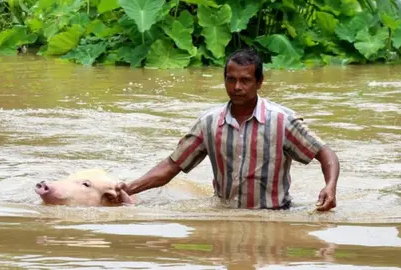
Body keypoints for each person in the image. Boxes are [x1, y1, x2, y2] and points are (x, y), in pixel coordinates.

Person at [116, 47, 340, 211]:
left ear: (259, 82)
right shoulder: (209, 123)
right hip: (225, 214)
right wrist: (129, 188)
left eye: (245, 80)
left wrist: (330, 187)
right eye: (231, 80)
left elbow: (325, 153)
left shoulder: (283, 121)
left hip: (274, 215)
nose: (237, 87)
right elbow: (172, 165)